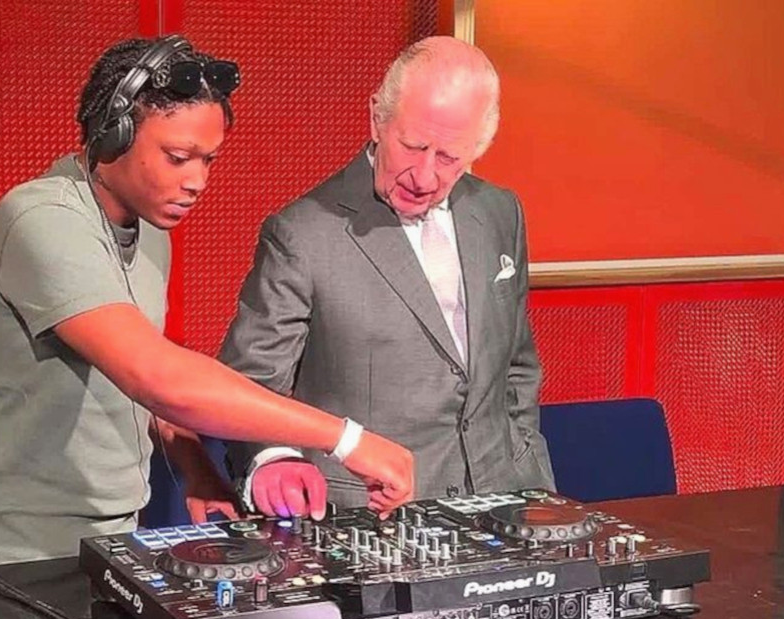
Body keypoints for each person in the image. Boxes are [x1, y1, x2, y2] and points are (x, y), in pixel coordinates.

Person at [0, 36, 414, 569]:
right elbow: (158, 378)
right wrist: (345, 439)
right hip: (12, 555)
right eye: (178, 158)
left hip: (109, 537)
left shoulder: (149, 231)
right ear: (112, 135)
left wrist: (196, 468)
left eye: (208, 160)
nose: (197, 181)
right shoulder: (42, 220)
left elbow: (141, 379)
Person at [219, 36, 554, 518]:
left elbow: (517, 367)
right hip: (373, 514)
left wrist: (533, 482)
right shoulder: (303, 233)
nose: (424, 176)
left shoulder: (501, 212)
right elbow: (247, 386)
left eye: (449, 158)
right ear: (377, 117)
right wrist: (275, 461)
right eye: (413, 146)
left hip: (504, 504)